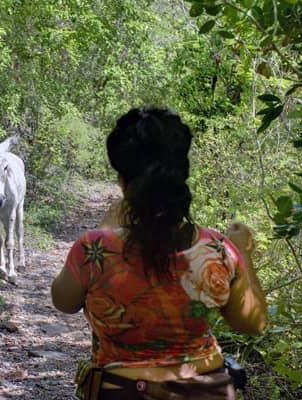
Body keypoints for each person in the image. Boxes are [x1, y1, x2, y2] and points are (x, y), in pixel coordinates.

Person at [51, 107, 266, 400]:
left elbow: (63, 302)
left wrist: (105, 231)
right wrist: (242, 252)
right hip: (206, 390)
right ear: (181, 176)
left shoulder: (94, 249)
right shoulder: (217, 249)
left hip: (121, 391)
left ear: (123, 182)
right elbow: (253, 323)